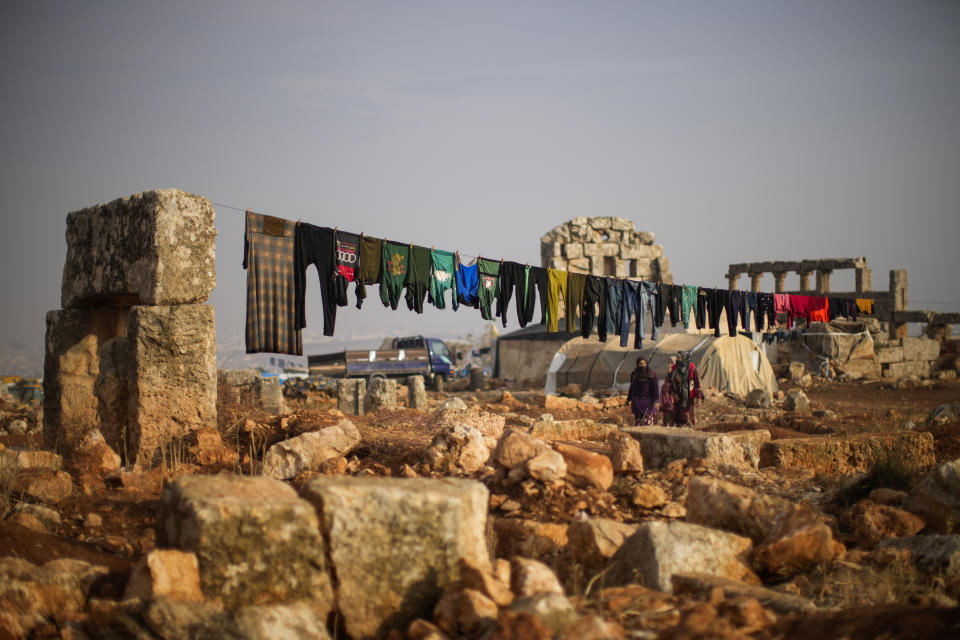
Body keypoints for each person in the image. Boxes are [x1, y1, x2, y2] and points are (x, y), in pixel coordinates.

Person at [666, 351, 702, 426]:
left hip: (688, 397)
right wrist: (674, 393)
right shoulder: (674, 368)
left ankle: (689, 432)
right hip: (678, 397)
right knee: (677, 416)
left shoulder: (692, 368)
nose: (677, 359)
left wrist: (699, 398)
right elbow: (670, 383)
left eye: (678, 357)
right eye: (676, 357)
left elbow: (697, 384)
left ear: (684, 358)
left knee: (687, 415)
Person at [626, 356, 659, 426]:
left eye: (644, 364)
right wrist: (629, 398)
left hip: (647, 403)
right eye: (640, 364)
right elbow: (631, 387)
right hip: (637, 403)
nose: (642, 365)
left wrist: (656, 401)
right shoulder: (634, 374)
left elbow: (655, 389)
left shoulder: (652, 375)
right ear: (637, 365)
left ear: (647, 364)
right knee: (638, 423)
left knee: (647, 423)